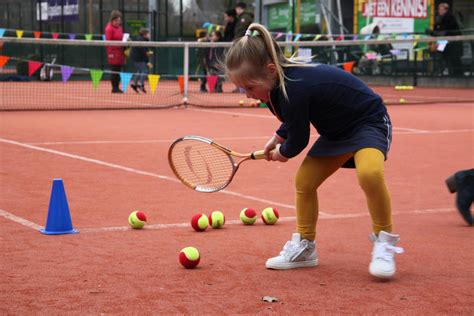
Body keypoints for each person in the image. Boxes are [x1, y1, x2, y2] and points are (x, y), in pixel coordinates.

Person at [224, 23, 404, 279]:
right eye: (243, 89)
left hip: (367, 122)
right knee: (305, 181)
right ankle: (306, 248)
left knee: (370, 173)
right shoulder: (278, 86)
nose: (248, 94)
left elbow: (298, 139)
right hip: (336, 132)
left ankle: (384, 242)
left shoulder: (294, 87)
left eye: (250, 87)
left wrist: (281, 152)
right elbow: (292, 121)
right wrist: (276, 138)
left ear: (270, 70)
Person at [430, 3, 463, 76]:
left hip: (452, 43)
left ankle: (455, 73)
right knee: (442, 56)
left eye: (441, 9)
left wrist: (433, 33)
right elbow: (439, 30)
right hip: (444, 41)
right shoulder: (440, 18)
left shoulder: (449, 17)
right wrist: (434, 33)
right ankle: (443, 71)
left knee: (453, 59)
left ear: (446, 10)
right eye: (439, 9)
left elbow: (445, 31)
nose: (439, 11)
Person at [105, 10, 126, 93]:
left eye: (119, 20)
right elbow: (108, 42)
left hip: (120, 52)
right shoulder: (109, 29)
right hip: (113, 53)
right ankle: (114, 88)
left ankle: (117, 87)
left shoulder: (120, 28)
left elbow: (121, 38)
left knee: (118, 71)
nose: (118, 22)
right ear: (112, 20)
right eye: (116, 20)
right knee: (114, 71)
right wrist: (110, 54)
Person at [130, 28, 153, 93]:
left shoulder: (144, 40)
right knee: (144, 71)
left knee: (140, 71)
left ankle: (134, 84)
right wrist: (147, 59)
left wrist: (147, 60)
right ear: (144, 34)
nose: (149, 35)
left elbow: (144, 52)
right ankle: (140, 84)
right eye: (148, 34)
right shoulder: (141, 40)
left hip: (137, 58)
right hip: (138, 59)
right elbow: (144, 52)